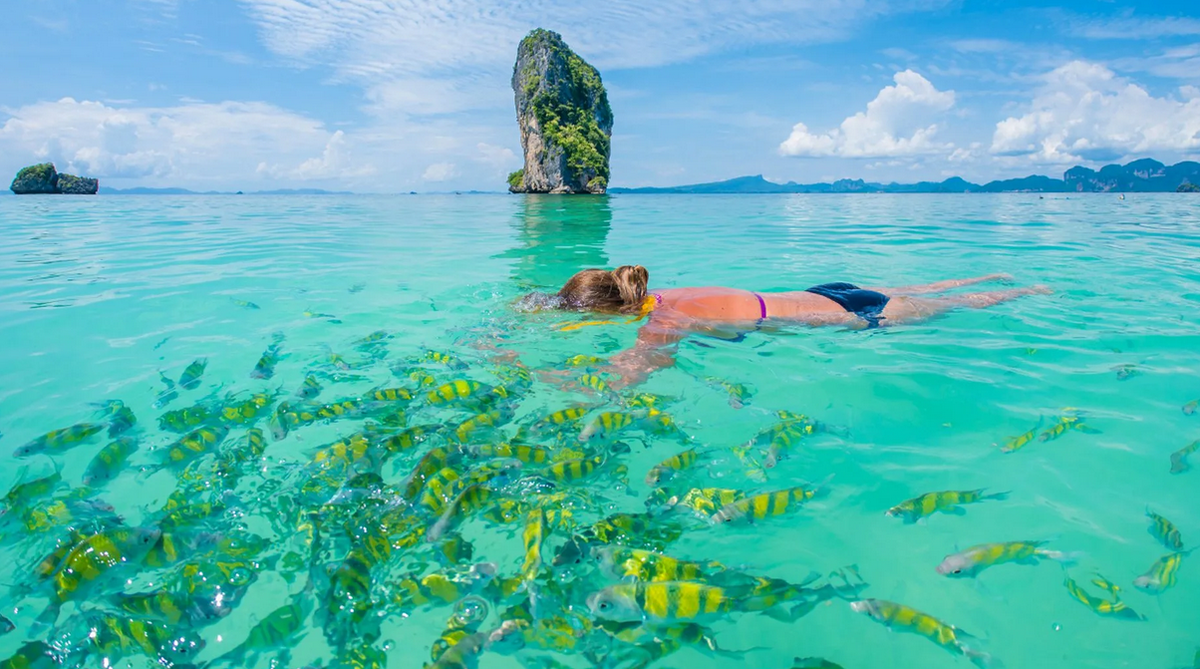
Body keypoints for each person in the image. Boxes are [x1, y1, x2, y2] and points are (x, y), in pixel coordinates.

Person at [546, 265, 1050, 387]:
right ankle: (994, 275)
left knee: (967, 306)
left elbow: (627, 375)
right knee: (926, 289)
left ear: (609, 311)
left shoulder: (664, 320)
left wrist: (549, 380)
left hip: (848, 316)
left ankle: (1026, 291)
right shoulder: (669, 293)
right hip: (822, 291)